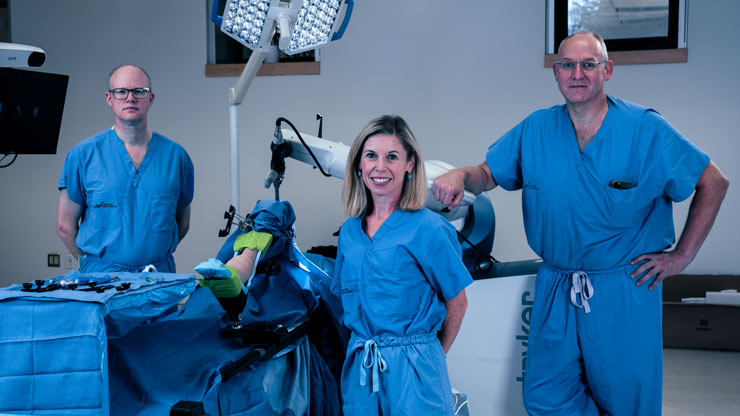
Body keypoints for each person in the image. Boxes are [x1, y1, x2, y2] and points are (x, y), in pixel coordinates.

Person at [433, 31, 729, 415]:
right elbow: (487, 173)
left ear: (606, 70)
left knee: (628, 401)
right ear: (556, 73)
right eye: (568, 65)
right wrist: (460, 175)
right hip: (557, 282)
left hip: (624, 286)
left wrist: (683, 256)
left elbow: (713, 181)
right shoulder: (536, 128)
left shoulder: (646, 129)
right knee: (544, 395)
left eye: (588, 64)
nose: (577, 73)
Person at [333, 115, 472, 415]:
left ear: (410, 164)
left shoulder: (429, 229)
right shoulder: (349, 234)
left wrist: (430, 357)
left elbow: (458, 303)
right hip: (361, 370)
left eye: (392, 157)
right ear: (359, 164)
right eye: (371, 155)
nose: (379, 167)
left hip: (415, 371)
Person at [56, 64, 194, 273]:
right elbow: (65, 227)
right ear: (109, 98)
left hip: (158, 278)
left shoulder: (176, 157)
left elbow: (182, 224)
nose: (130, 98)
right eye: (121, 92)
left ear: (151, 98)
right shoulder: (83, 155)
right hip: (102, 277)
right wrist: (92, 267)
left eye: (139, 91)